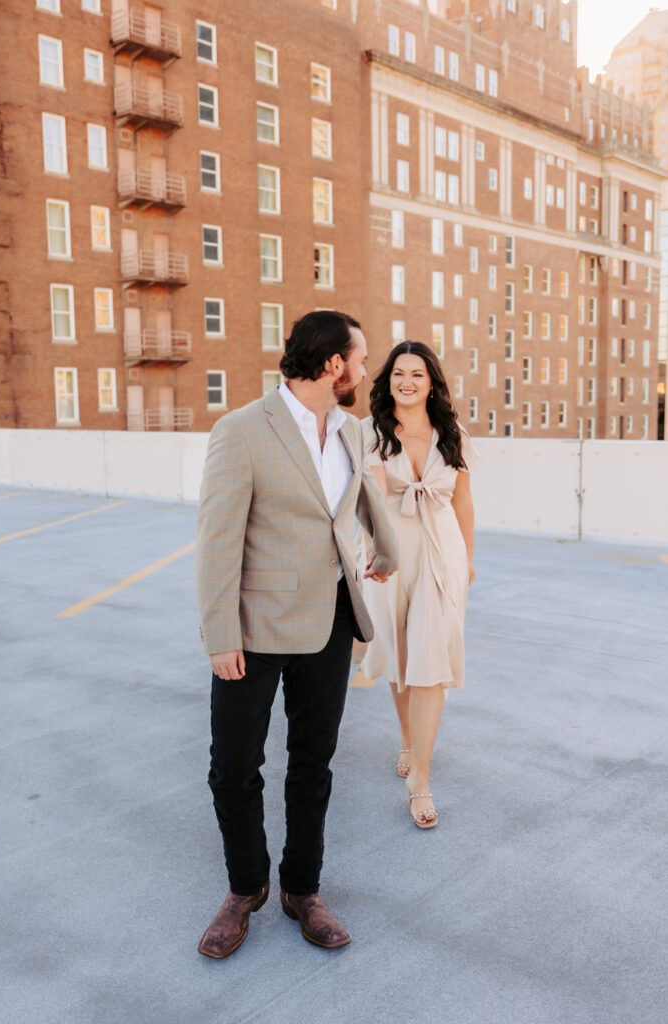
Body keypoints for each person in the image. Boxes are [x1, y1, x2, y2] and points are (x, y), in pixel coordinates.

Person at [195, 310, 398, 959]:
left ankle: (300, 890)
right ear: (333, 364)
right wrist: (219, 632)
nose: (367, 370)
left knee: (312, 765)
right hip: (252, 628)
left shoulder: (353, 432)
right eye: (360, 359)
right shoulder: (241, 431)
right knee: (233, 767)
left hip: (331, 620)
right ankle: (245, 887)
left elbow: (361, 498)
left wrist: (385, 550)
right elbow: (218, 539)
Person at [354, 341, 478, 830]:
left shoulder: (454, 434)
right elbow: (372, 497)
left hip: (442, 552)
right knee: (400, 655)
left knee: (431, 660)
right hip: (391, 551)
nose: (407, 381)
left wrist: (468, 559)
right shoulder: (369, 432)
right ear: (388, 381)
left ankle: (420, 780)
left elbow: (464, 503)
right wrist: (375, 551)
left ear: (432, 383)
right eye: (398, 373)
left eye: (418, 374)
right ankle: (408, 740)